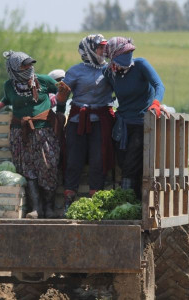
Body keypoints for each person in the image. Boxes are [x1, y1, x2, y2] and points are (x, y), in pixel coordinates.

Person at [0, 51, 63, 219]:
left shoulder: (43, 81)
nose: (29, 68)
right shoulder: (10, 86)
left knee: (49, 166)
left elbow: (62, 94)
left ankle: (49, 207)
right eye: (25, 65)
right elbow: (6, 99)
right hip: (21, 132)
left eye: (30, 64)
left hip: (44, 131)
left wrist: (62, 105)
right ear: (14, 68)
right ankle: (36, 208)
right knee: (27, 169)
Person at [102, 37, 167, 198]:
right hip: (122, 124)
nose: (128, 55)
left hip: (141, 122)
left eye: (130, 51)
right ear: (112, 56)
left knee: (131, 164)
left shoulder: (140, 65)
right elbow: (102, 93)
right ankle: (135, 199)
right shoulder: (109, 73)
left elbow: (159, 85)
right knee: (124, 162)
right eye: (124, 53)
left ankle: (126, 200)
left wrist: (157, 103)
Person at [57, 34, 115, 212]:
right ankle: (69, 200)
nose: (103, 51)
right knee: (74, 159)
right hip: (77, 121)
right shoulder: (75, 71)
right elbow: (62, 95)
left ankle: (95, 202)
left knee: (99, 159)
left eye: (104, 48)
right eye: (99, 48)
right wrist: (59, 113)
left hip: (101, 121)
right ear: (89, 50)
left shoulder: (110, 70)